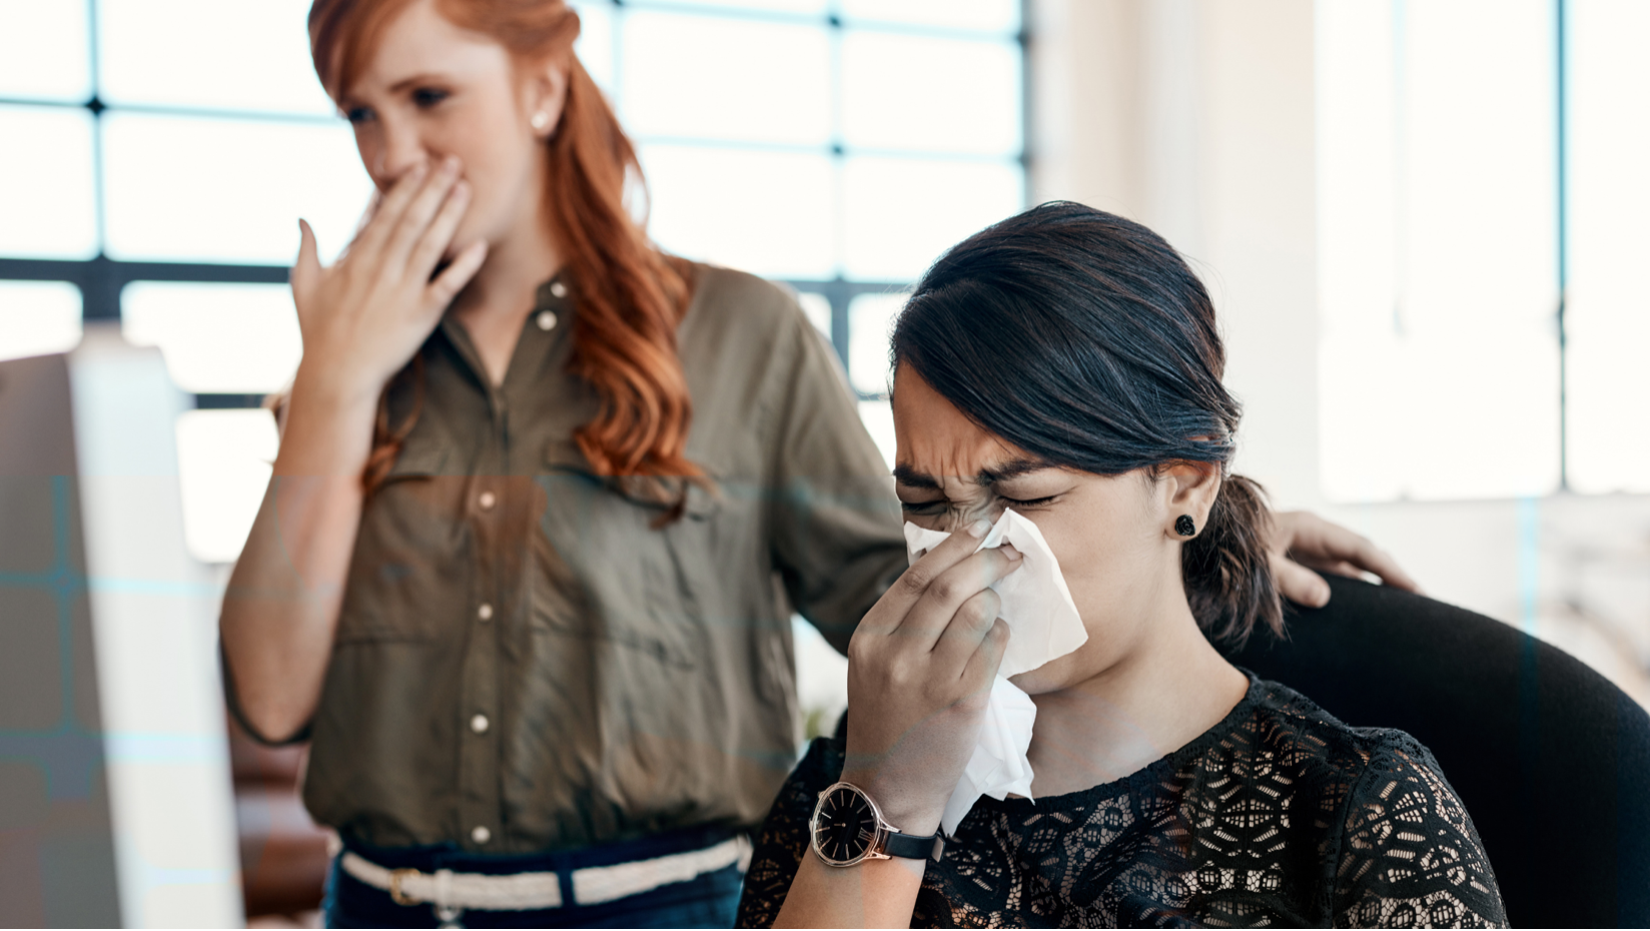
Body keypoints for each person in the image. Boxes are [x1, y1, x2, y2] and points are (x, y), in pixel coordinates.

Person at [217, 1, 1418, 927]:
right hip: (376, 900)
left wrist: (1191, 527)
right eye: (360, 114)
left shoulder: (737, 337)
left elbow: (926, 589)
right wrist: (332, 388)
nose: (392, 153)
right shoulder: (355, 368)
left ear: (540, 82)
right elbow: (272, 696)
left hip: (659, 907)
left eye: (429, 95)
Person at [737, 203, 1507, 928]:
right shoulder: (846, 789)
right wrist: (887, 806)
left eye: (1026, 498)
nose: (966, 551)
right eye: (926, 501)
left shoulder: (1358, 810)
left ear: (1187, 484)